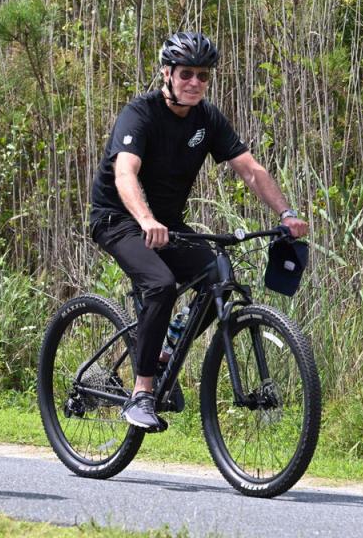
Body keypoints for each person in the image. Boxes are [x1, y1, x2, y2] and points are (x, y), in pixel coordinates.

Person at [88, 31, 309, 431]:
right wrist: (146, 219)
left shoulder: (207, 118)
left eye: (203, 76)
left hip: (166, 224)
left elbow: (251, 170)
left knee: (216, 275)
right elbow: (124, 173)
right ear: (167, 74)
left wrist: (286, 212)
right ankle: (141, 393)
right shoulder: (140, 114)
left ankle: (162, 352)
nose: (194, 83)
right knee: (160, 284)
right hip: (118, 218)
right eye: (186, 73)